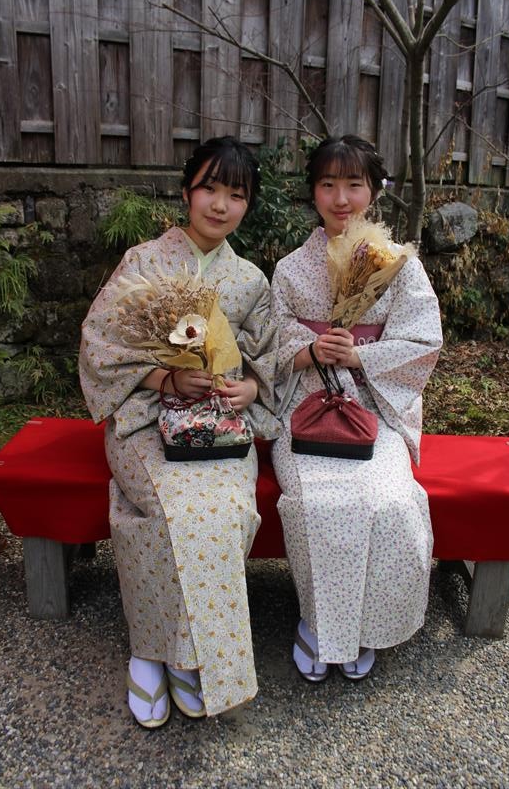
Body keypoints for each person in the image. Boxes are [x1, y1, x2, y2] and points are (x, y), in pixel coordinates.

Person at [79, 136, 279, 727]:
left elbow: (268, 361)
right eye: (209, 188)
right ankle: (150, 652)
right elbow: (100, 343)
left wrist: (250, 390)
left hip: (219, 424)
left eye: (235, 194)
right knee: (172, 510)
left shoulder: (250, 281)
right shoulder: (144, 262)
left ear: (247, 205)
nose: (220, 204)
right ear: (187, 190)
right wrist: (163, 377)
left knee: (225, 511)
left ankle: (189, 657)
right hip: (145, 419)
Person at [270, 135, 443, 683]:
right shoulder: (290, 269)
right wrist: (308, 350)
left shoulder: (399, 266)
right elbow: (268, 343)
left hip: (374, 409)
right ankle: (320, 624)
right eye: (328, 184)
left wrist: (361, 355)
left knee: (389, 501)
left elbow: (423, 342)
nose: (341, 198)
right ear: (313, 191)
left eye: (353, 184)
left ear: (374, 191)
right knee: (313, 500)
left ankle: (362, 626)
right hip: (306, 409)